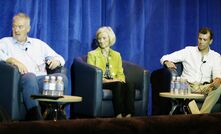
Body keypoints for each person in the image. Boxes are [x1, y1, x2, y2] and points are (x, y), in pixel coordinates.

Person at [0, 13, 68, 120]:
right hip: (21, 80)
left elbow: (60, 58)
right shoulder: (6, 42)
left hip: (41, 80)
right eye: (14, 26)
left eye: (20, 27)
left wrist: (56, 61)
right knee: (30, 76)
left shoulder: (38, 44)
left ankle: (56, 115)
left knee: (62, 78)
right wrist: (12, 60)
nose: (16, 30)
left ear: (28, 28)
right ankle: (35, 116)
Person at [160, 27, 221, 114]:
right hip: (187, 86)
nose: (201, 42)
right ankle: (202, 119)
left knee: (219, 88)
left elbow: (217, 76)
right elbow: (164, 57)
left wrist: (217, 81)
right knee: (184, 91)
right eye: (200, 38)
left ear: (210, 41)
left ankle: (202, 115)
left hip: (204, 87)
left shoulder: (215, 56)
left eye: (205, 39)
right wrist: (166, 62)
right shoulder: (188, 51)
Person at [87, 26, 135, 118]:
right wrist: (113, 81)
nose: (101, 41)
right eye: (99, 39)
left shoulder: (116, 55)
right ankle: (118, 114)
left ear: (110, 39)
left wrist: (120, 80)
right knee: (117, 84)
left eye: (104, 38)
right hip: (101, 82)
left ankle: (129, 114)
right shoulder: (92, 54)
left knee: (130, 84)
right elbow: (93, 75)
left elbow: (120, 74)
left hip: (115, 81)